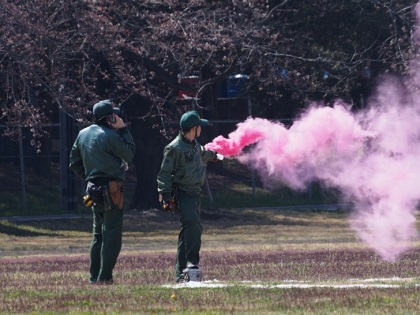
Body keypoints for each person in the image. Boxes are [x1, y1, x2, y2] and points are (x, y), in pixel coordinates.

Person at [69, 99, 136, 285]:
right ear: (109, 118)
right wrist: (123, 129)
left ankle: (93, 277)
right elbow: (130, 153)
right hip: (113, 189)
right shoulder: (111, 136)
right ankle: (105, 277)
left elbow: (73, 163)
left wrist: (90, 176)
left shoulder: (82, 134)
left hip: (93, 190)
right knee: (112, 234)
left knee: (97, 234)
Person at [157, 110, 220, 283]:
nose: (201, 129)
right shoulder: (174, 148)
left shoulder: (194, 144)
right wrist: (165, 196)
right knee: (193, 227)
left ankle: (181, 273)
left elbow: (202, 153)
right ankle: (192, 264)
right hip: (182, 194)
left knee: (188, 231)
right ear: (194, 128)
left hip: (195, 194)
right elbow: (164, 174)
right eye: (200, 126)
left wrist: (215, 156)